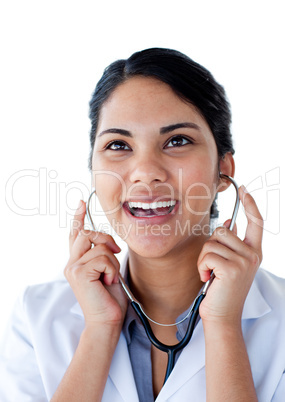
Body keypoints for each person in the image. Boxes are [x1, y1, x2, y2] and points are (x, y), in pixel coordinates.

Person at [1, 48, 285, 401]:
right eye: (118, 145)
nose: (146, 172)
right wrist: (100, 330)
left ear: (223, 170)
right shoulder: (36, 316)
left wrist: (225, 325)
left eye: (177, 140)